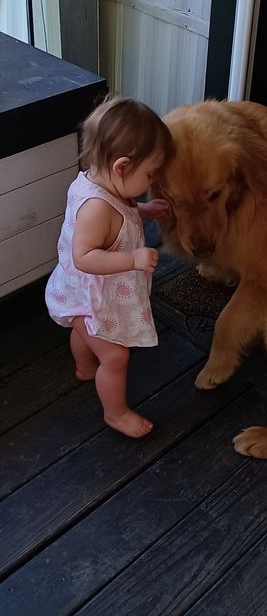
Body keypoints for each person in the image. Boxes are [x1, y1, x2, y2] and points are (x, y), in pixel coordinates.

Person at [45, 96, 172, 438]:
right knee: (115, 357)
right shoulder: (96, 208)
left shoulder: (99, 181)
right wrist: (132, 259)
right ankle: (115, 413)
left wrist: (143, 211)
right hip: (88, 298)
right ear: (121, 167)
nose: (153, 180)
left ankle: (85, 368)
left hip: (84, 295)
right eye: (151, 173)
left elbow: (122, 213)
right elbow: (83, 257)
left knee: (82, 335)